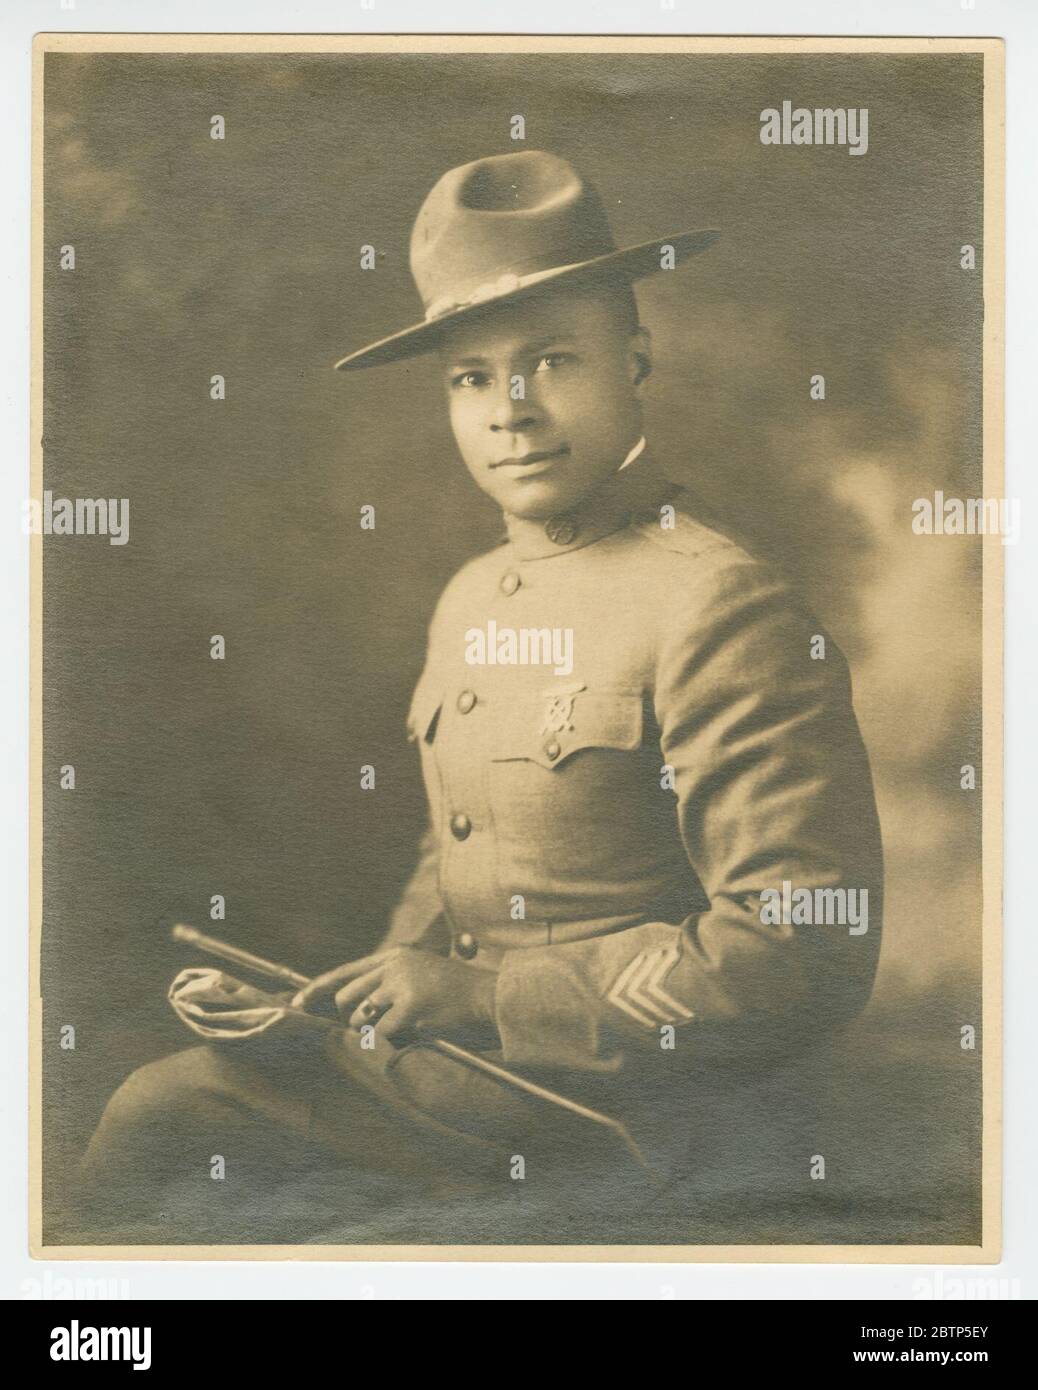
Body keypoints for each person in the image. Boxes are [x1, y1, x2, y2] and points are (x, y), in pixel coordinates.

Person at [76, 150, 883, 1245]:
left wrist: (487, 1003)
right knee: (157, 1113)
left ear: (634, 361)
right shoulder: (468, 596)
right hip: (457, 1086)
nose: (510, 410)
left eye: (553, 360)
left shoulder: (720, 604)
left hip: (629, 1117)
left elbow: (798, 952)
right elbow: (455, 865)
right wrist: (320, 1008)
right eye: (470, 376)